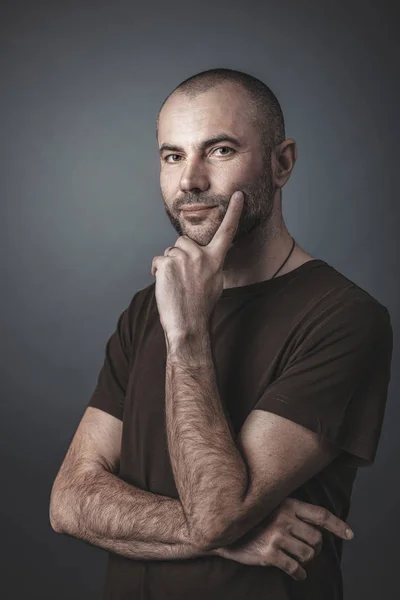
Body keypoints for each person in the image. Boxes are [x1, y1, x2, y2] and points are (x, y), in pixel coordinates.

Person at [49, 68, 393, 600]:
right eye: (173, 156)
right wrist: (227, 537)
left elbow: (215, 515)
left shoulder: (344, 318)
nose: (190, 180)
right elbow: (69, 502)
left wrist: (187, 334)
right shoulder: (146, 309)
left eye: (221, 150)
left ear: (282, 164)